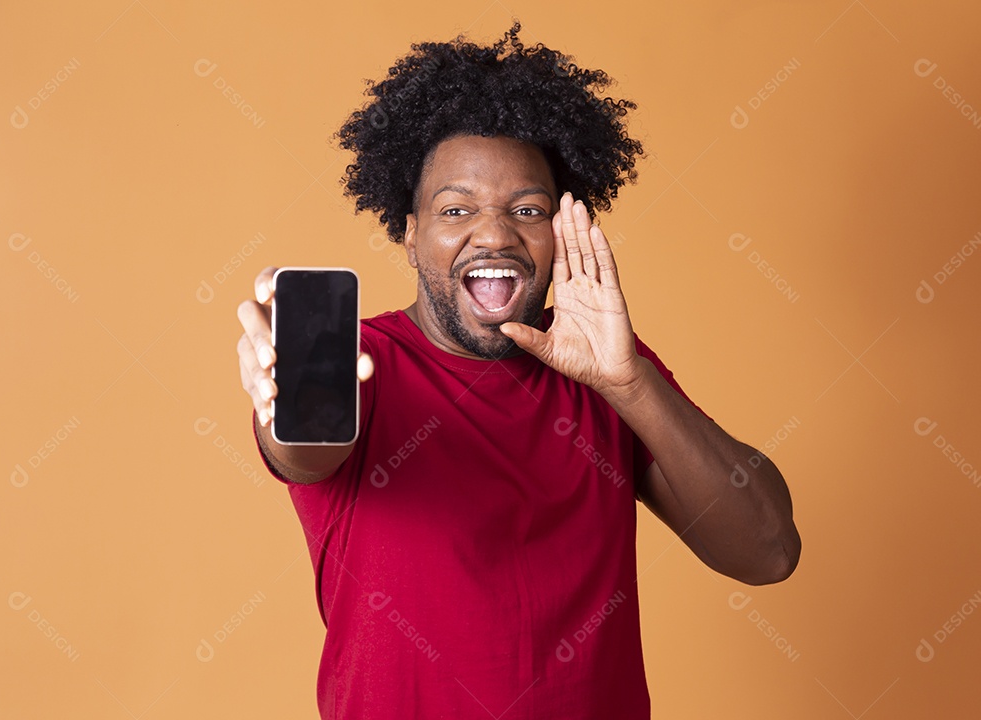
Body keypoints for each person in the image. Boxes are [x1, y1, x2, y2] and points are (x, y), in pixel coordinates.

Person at [236, 21, 800, 719]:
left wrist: (629, 384)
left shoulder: (608, 370)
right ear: (410, 235)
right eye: (456, 209)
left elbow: (769, 551)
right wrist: (292, 393)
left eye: (526, 209)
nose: (496, 232)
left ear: (560, 233)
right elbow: (309, 447)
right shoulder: (360, 366)